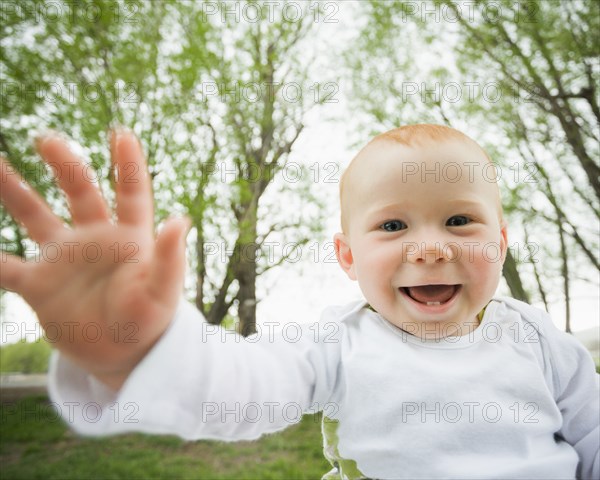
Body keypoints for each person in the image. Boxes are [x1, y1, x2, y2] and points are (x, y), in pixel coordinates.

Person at [0, 125, 598, 479]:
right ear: (346, 257)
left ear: (500, 241)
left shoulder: (540, 341)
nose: (429, 249)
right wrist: (138, 346)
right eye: (392, 227)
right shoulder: (335, 343)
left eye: (459, 220)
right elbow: (245, 387)